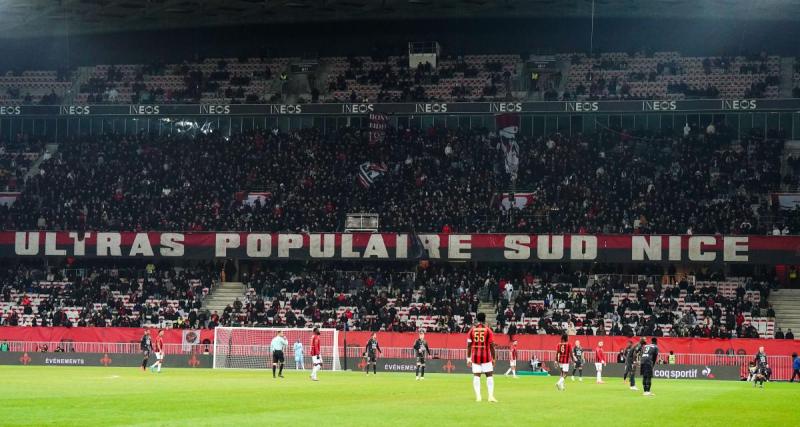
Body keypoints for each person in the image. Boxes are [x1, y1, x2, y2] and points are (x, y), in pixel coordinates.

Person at [467, 312, 497, 402]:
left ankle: (478, 397)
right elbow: (492, 345)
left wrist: (468, 358)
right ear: (485, 319)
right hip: (486, 356)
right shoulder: (488, 330)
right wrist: (494, 358)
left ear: (477, 319)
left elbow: (469, 345)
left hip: (475, 356)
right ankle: (490, 396)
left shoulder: (472, 330)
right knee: (489, 376)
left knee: (476, 376)